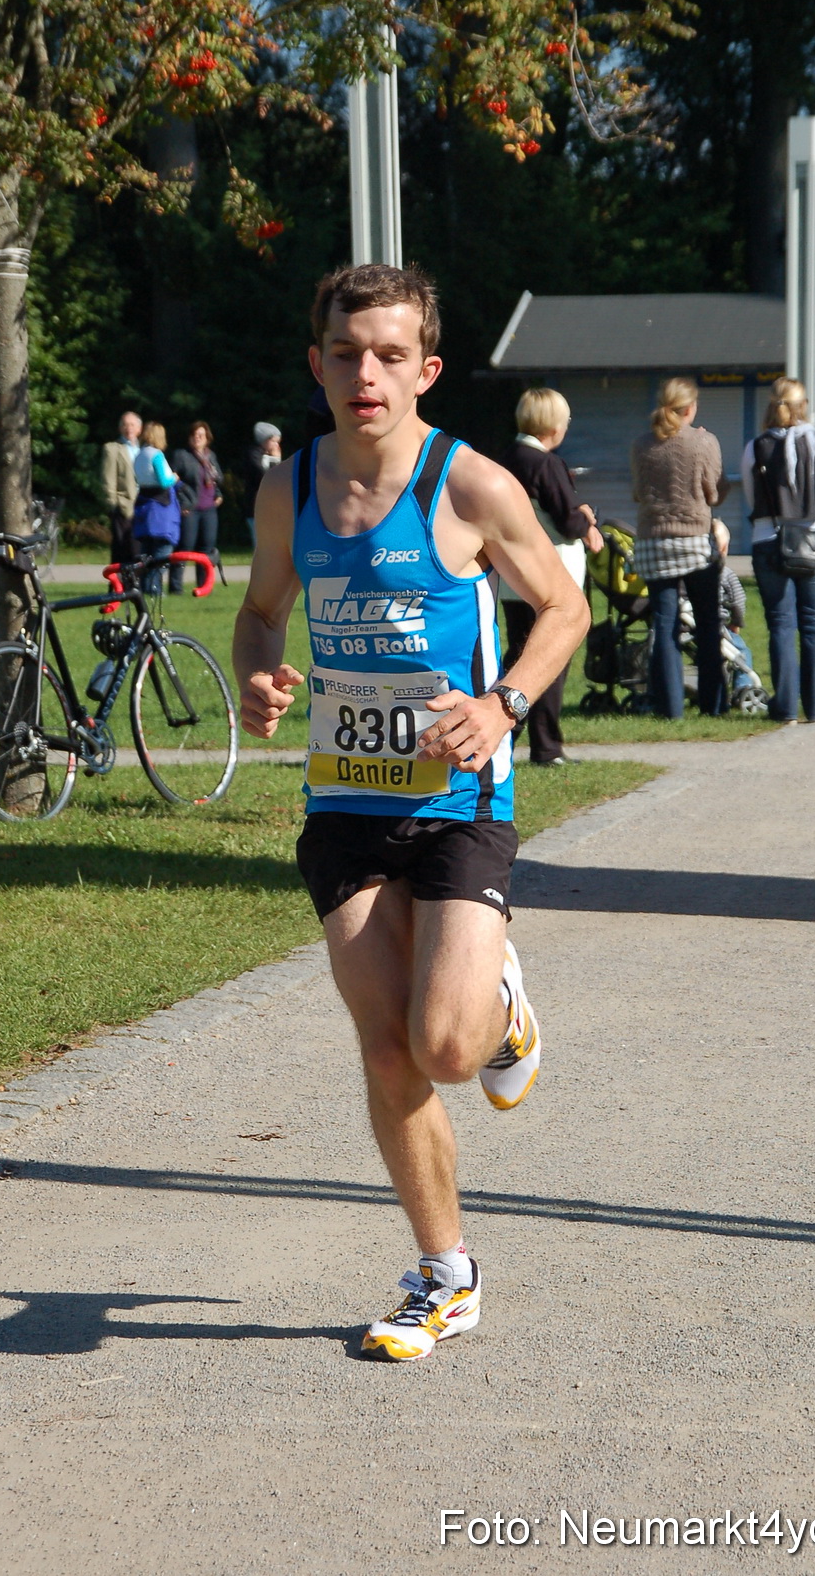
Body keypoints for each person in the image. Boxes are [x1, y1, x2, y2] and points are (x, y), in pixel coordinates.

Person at [233, 263, 588, 1362]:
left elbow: (563, 607)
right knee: (386, 1053)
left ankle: (498, 1002)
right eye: (346, 353)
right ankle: (445, 1275)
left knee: (442, 1047)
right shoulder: (288, 487)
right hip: (343, 800)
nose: (365, 374)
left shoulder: (470, 485)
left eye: (390, 355)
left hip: (457, 799)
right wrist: (257, 675)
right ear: (317, 364)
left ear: (426, 369)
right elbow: (259, 613)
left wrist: (503, 703)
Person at [499, 387, 604, 765]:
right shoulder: (547, 464)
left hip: (511, 580)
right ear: (554, 426)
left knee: (516, 658)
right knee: (550, 660)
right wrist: (587, 515)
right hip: (551, 576)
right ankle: (546, 746)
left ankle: (501, 737)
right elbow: (568, 521)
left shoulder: (505, 459)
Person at [741, 376, 815, 724]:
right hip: (814, 540)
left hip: (769, 540)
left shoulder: (756, 446)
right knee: (813, 625)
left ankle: (784, 708)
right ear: (804, 407)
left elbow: (752, 499)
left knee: (781, 625)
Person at [630, 376, 729, 718]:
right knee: (707, 623)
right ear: (691, 408)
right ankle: (714, 705)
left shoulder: (642, 445)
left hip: (653, 543)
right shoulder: (704, 442)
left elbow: (638, 494)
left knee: (665, 624)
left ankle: (670, 708)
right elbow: (715, 493)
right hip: (694, 542)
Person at [171, 421, 223, 592]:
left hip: (209, 509)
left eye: (201, 435)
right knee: (185, 547)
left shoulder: (211, 457)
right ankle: (176, 587)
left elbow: (216, 480)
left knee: (206, 549)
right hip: (190, 509)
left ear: (207, 438)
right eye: (194, 435)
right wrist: (182, 501)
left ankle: (203, 587)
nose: (197, 438)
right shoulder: (182, 455)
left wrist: (219, 494)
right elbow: (173, 481)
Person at [131, 420, 182, 595]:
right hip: (160, 510)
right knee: (161, 556)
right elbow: (163, 481)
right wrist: (174, 478)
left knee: (146, 555)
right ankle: (154, 591)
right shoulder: (157, 455)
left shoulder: (138, 455)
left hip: (143, 507)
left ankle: (143, 592)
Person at [101, 410, 142, 567]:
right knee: (121, 550)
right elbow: (107, 480)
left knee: (137, 551)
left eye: (132, 425)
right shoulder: (112, 449)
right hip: (123, 507)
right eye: (125, 424)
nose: (129, 428)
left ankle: (135, 587)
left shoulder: (144, 450)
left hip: (143, 507)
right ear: (120, 428)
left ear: (139, 428)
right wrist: (113, 506)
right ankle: (117, 588)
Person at [244, 422, 282, 547]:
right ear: (265, 440)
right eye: (274, 441)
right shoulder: (253, 455)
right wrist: (276, 460)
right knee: (261, 545)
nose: (277, 445)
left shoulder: (268, 456)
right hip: (256, 507)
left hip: (271, 506)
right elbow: (266, 477)